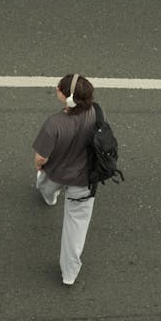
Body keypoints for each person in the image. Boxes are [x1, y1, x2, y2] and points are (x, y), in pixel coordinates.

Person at [32, 74, 97, 286]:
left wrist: (39, 167)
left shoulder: (55, 123)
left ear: (67, 97)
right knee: (76, 228)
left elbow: (41, 157)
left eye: (59, 87)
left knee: (45, 187)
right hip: (84, 180)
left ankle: (50, 199)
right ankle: (69, 274)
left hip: (56, 173)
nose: (56, 88)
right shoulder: (95, 112)